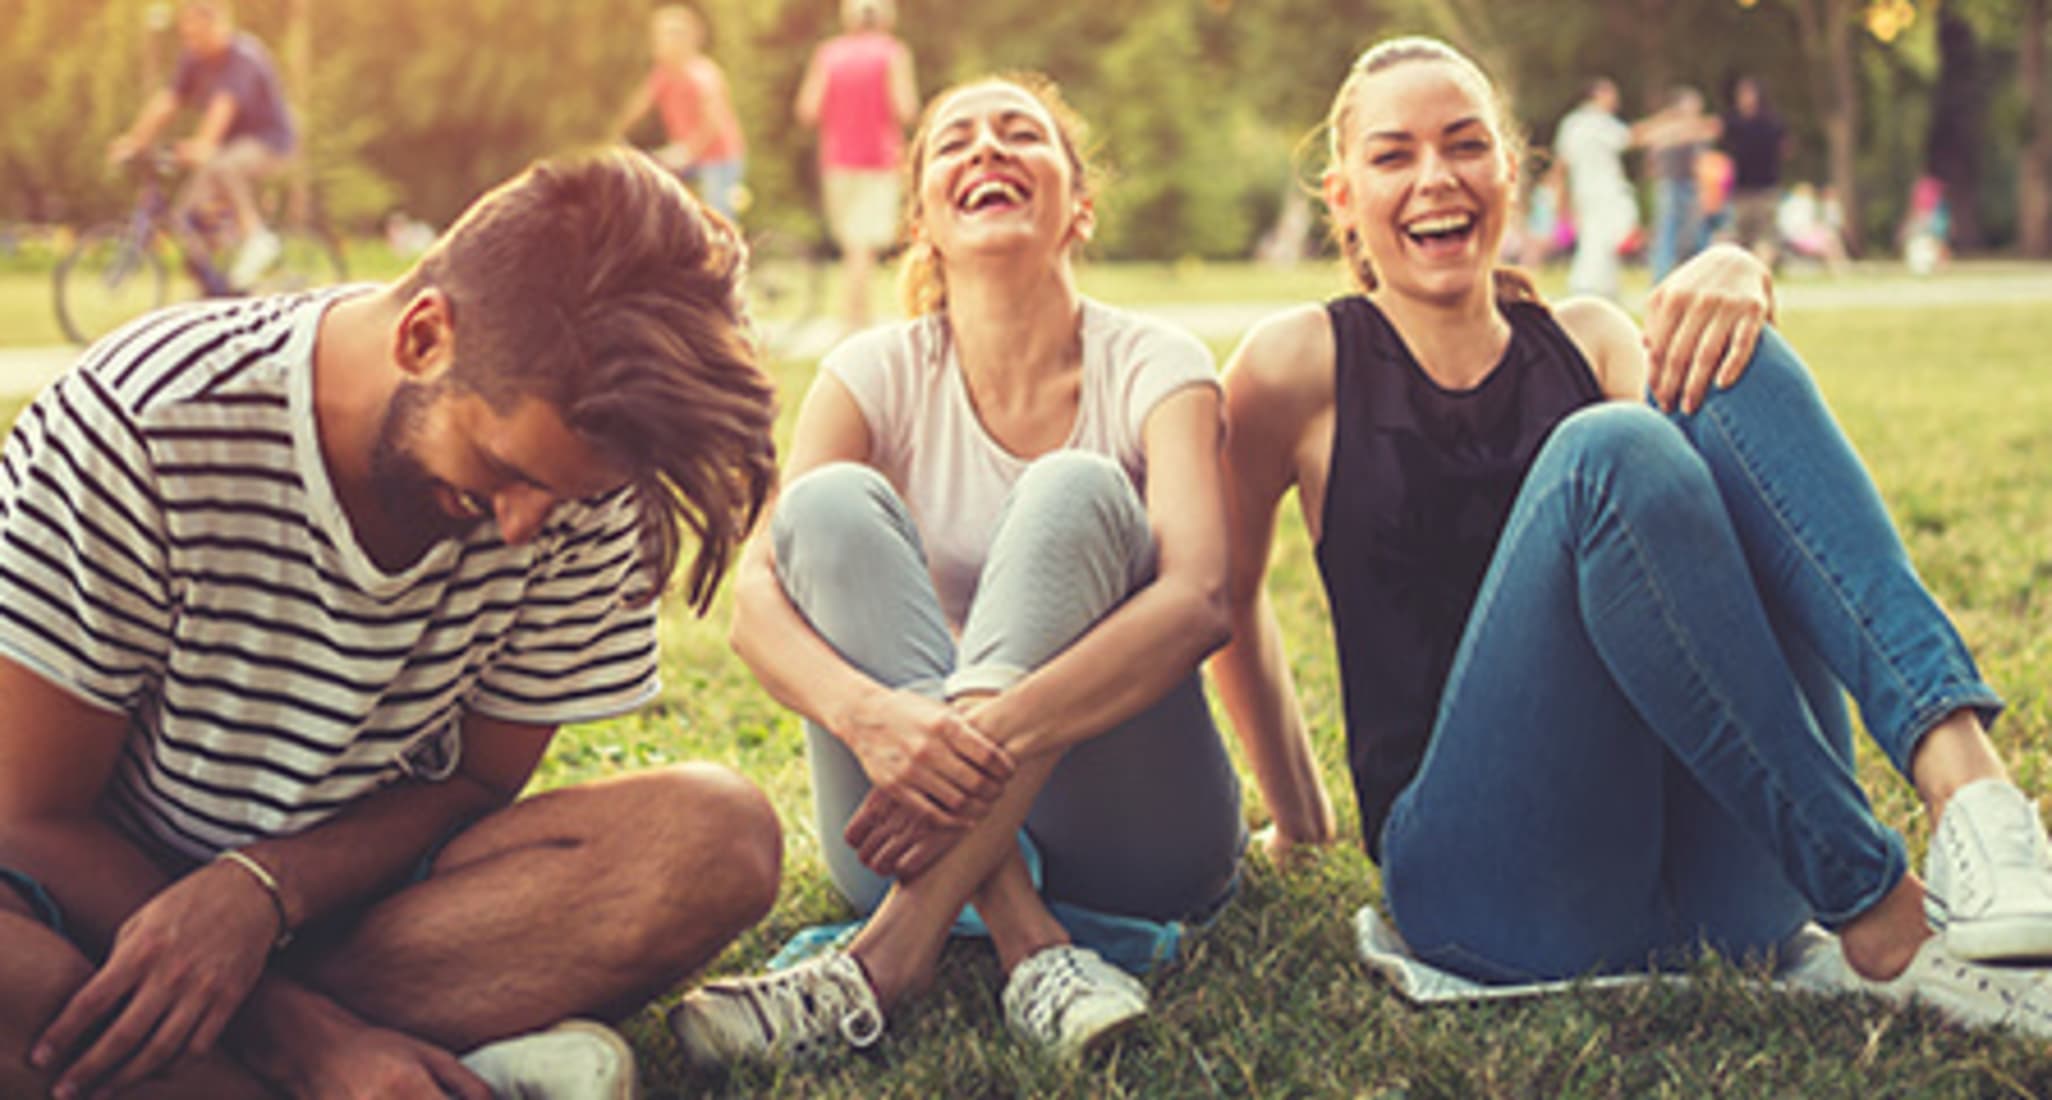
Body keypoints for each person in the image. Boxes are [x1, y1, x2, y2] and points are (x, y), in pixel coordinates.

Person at [1215, 35, 2052, 1040]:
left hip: (1725, 889)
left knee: (1725, 351)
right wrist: (1300, 816)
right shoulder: (1298, 363)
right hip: (1494, 890)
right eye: (1393, 155)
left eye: (1464, 144)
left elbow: (1755, 486)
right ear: (1342, 194)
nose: (1434, 176)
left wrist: (1741, 269)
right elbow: (1223, 594)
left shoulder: (1594, 337)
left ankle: (1972, 792)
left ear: (1512, 174)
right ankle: (1880, 906)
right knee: (1612, 445)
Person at [0, 149, 784, 1099]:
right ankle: (362, 1065)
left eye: (567, 495)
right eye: (504, 470)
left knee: (714, 837)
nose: (526, 525)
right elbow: (31, 818)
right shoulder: (140, 427)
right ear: (423, 338)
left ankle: (239, 1063)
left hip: (354, 903)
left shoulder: (588, 480)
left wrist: (263, 893)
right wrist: (303, 1037)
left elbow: (479, 779)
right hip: (81, 900)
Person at [674, 72, 1246, 1068]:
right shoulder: (872, 372)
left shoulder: (1158, 361)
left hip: (1137, 836)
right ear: (923, 219)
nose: (986, 150)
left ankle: (887, 961)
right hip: (893, 820)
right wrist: (868, 716)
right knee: (823, 506)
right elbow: (757, 602)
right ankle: (1028, 937)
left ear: (1079, 203)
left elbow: (1199, 599)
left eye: (1020, 134)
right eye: (955, 142)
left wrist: (977, 735)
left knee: (1074, 488)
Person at [107, 0, 297, 290]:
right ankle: (220, 289)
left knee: (224, 165)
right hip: (227, 147)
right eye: (187, 35)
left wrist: (202, 144)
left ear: (218, 26)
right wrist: (135, 141)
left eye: (197, 34)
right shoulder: (194, 58)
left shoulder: (243, 57)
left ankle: (257, 239)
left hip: (269, 144)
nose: (191, 42)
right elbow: (167, 101)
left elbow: (223, 106)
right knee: (185, 215)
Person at [795, 0, 919, 333]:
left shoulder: (828, 54)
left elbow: (807, 109)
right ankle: (856, 323)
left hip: (836, 159)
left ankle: (852, 321)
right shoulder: (893, 53)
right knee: (863, 247)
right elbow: (905, 108)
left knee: (853, 245)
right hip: (879, 159)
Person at [609, 4, 748, 223]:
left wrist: (687, 152)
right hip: (689, 155)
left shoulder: (702, 74)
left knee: (717, 217)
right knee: (661, 197)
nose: (657, 44)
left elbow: (714, 121)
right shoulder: (663, 75)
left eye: (664, 37)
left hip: (718, 157)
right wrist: (610, 132)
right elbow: (638, 106)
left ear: (687, 41)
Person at [1551, 78, 1639, 300]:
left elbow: (1561, 164)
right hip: (1604, 190)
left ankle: (1600, 288)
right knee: (1600, 239)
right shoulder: (1597, 122)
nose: (1615, 99)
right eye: (1610, 93)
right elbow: (1632, 137)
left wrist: (1561, 197)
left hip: (1587, 192)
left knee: (1598, 240)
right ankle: (1587, 287)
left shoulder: (1571, 124)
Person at [1642, 86, 1721, 280]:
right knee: (1667, 229)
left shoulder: (1699, 128)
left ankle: (1698, 273)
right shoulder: (1668, 128)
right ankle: (1662, 274)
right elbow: (1649, 140)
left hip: (1692, 184)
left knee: (1696, 232)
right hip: (1670, 184)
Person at [1720, 75, 1789, 267]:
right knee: (1741, 237)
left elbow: (1784, 148)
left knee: (1765, 234)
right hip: (1742, 188)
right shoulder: (1732, 122)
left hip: (1766, 187)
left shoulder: (1771, 122)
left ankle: (1761, 269)